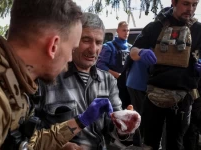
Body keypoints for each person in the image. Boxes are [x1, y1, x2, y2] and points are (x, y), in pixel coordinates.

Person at [0, 0, 114, 150]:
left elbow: (25, 143)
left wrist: (80, 122)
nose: (70, 59)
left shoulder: (11, 82)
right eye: (72, 49)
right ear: (53, 46)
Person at [36, 13, 139, 150]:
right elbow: (29, 137)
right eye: (86, 40)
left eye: (98, 42)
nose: (93, 49)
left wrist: (124, 126)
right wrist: (60, 146)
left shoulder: (108, 81)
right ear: (73, 40)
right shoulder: (47, 80)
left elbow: (113, 130)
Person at [129, 0, 201, 149]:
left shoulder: (200, 30)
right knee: (148, 142)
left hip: (183, 98)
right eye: (186, 3)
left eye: (194, 5)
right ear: (174, 2)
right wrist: (140, 52)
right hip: (154, 96)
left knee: (175, 144)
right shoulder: (155, 27)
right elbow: (133, 51)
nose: (190, 9)